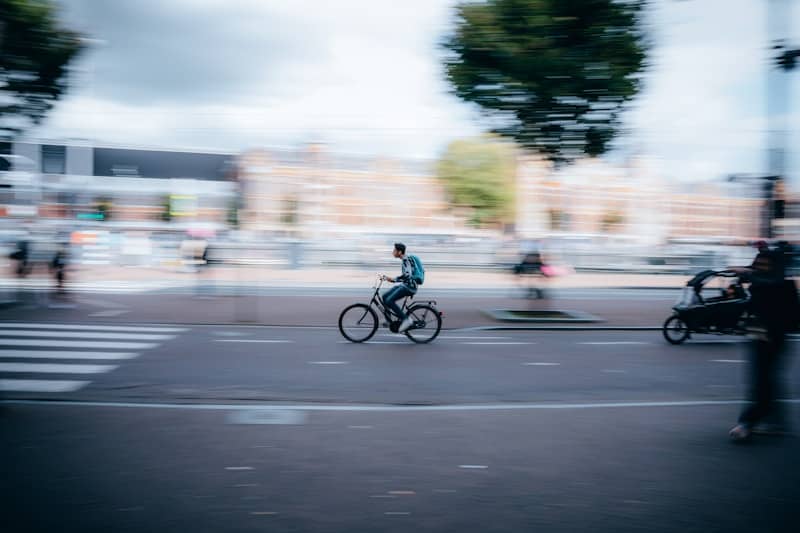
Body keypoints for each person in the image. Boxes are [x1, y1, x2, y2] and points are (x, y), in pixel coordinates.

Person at [729, 250, 795, 442]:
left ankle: (747, 423)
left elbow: (768, 285)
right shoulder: (763, 283)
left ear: (775, 267)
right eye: (758, 264)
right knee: (767, 380)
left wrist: (749, 275)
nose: (760, 267)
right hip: (758, 337)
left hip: (773, 339)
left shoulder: (781, 285)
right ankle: (776, 422)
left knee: (761, 381)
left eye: (765, 265)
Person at [381, 242, 419, 333]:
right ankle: (388, 320)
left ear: (400, 252)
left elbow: (407, 276)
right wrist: (389, 279)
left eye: (394, 250)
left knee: (389, 300)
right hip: (405, 284)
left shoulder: (406, 260)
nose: (393, 252)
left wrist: (393, 279)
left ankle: (406, 320)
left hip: (409, 287)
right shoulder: (405, 259)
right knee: (384, 296)